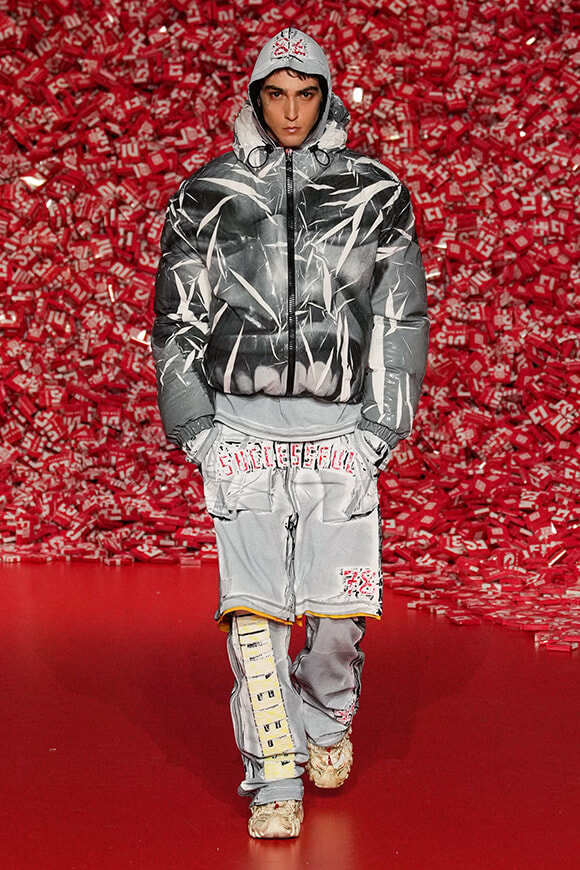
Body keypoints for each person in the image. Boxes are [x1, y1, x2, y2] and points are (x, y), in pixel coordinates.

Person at [152, 27, 429, 839]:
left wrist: (382, 427)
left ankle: (329, 711)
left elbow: (401, 313)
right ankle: (274, 776)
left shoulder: (376, 191)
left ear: (327, 95)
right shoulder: (206, 194)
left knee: (340, 618)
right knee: (256, 618)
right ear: (254, 98)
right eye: (275, 94)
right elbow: (175, 317)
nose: (291, 111)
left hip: (340, 434)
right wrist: (197, 430)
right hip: (241, 431)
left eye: (306, 94)